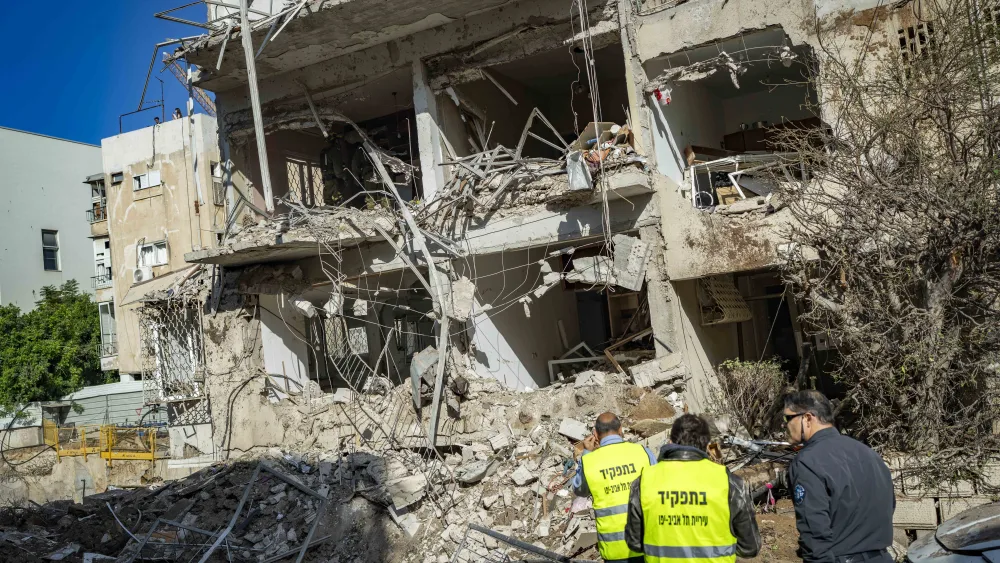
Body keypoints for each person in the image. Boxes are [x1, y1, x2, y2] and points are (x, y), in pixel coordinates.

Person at [624, 414, 760, 562]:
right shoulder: (728, 482)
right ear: (706, 444)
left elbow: (635, 543)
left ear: (671, 441)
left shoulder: (645, 480)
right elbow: (749, 548)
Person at [783, 390, 894, 563]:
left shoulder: (807, 461)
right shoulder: (869, 454)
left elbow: (814, 531)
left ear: (807, 418)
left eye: (788, 419)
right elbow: (889, 505)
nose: (785, 425)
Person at [573, 412, 657, 563]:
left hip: (614, 552)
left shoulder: (590, 462)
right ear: (621, 430)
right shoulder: (642, 452)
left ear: (595, 435)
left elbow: (579, 490)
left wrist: (586, 453)